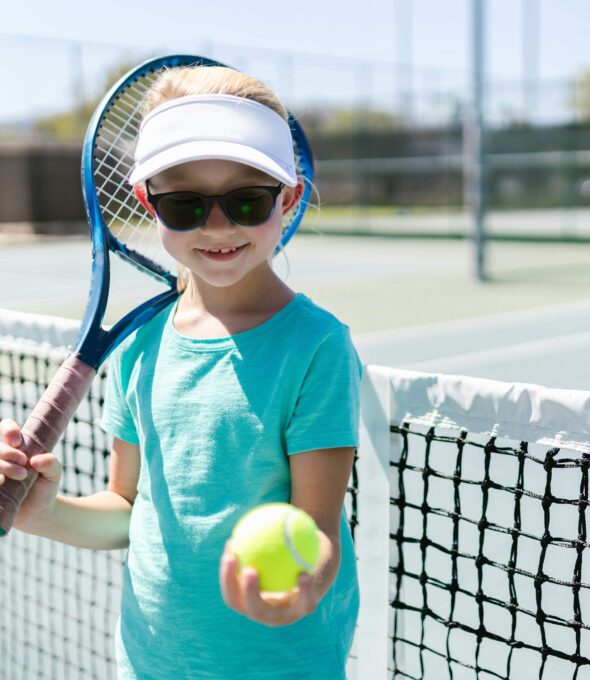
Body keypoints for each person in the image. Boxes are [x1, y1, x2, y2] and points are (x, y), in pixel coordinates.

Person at [0, 65, 361, 679]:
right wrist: (44, 511)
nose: (219, 226)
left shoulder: (316, 347)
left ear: (290, 197)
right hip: (149, 664)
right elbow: (126, 506)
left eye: (247, 200)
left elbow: (317, 527)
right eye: (185, 204)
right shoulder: (141, 345)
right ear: (148, 202)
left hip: (280, 665)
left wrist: (305, 585)